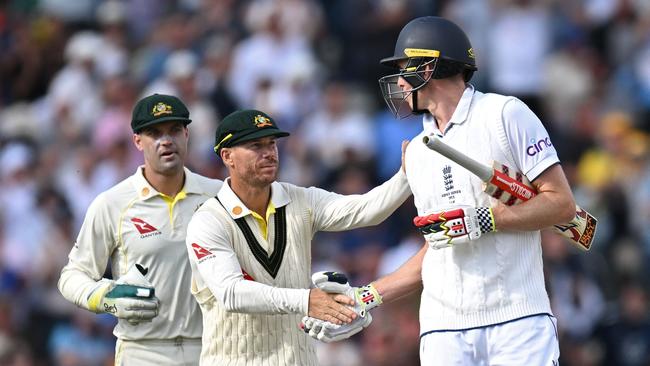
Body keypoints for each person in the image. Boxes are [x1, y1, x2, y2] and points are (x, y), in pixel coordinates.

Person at [305, 16, 578, 365]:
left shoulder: (505, 114)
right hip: (442, 328)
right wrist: (365, 297)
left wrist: (488, 218)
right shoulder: (417, 150)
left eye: (405, 70)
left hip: (517, 318)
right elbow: (436, 249)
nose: (400, 83)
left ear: (427, 67)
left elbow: (562, 206)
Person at [184, 109, 411, 365]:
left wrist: (406, 175)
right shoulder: (208, 221)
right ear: (227, 156)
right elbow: (232, 293)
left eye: (272, 144)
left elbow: (366, 210)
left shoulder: (301, 200)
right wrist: (305, 300)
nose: (269, 152)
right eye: (255, 146)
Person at [58, 93, 223, 365]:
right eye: (154, 133)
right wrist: (107, 297)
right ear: (137, 141)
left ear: (187, 135)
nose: (166, 141)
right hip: (143, 352)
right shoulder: (112, 203)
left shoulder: (219, 196)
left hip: (211, 349)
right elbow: (72, 276)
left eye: (174, 131)